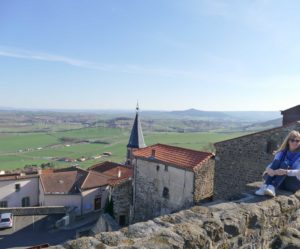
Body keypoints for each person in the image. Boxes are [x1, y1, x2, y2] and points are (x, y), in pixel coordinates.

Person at [255, 130, 300, 197]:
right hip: (280, 180)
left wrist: (286, 172)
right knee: (279, 162)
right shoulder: (281, 153)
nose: (295, 142)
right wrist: (269, 169)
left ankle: (271, 186)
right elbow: (273, 164)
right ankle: (266, 186)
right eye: (292, 140)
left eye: (297, 141)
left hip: (293, 183)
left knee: (284, 164)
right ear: (288, 141)